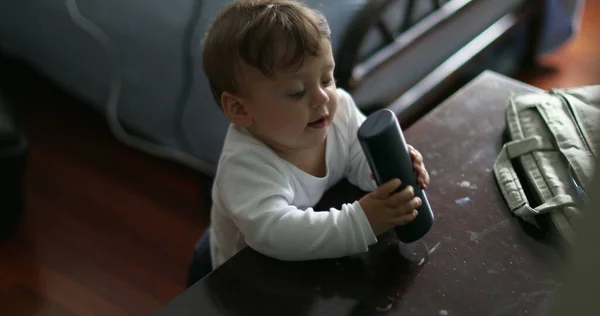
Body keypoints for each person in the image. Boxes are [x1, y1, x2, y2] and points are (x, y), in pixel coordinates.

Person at [187, 0, 430, 286]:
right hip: (236, 275)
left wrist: (387, 172)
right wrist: (361, 221)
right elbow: (278, 233)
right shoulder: (244, 167)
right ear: (240, 109)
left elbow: (358, 156)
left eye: (327, 79)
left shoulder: (340, 112)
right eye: (296, 92)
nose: (322, 98)